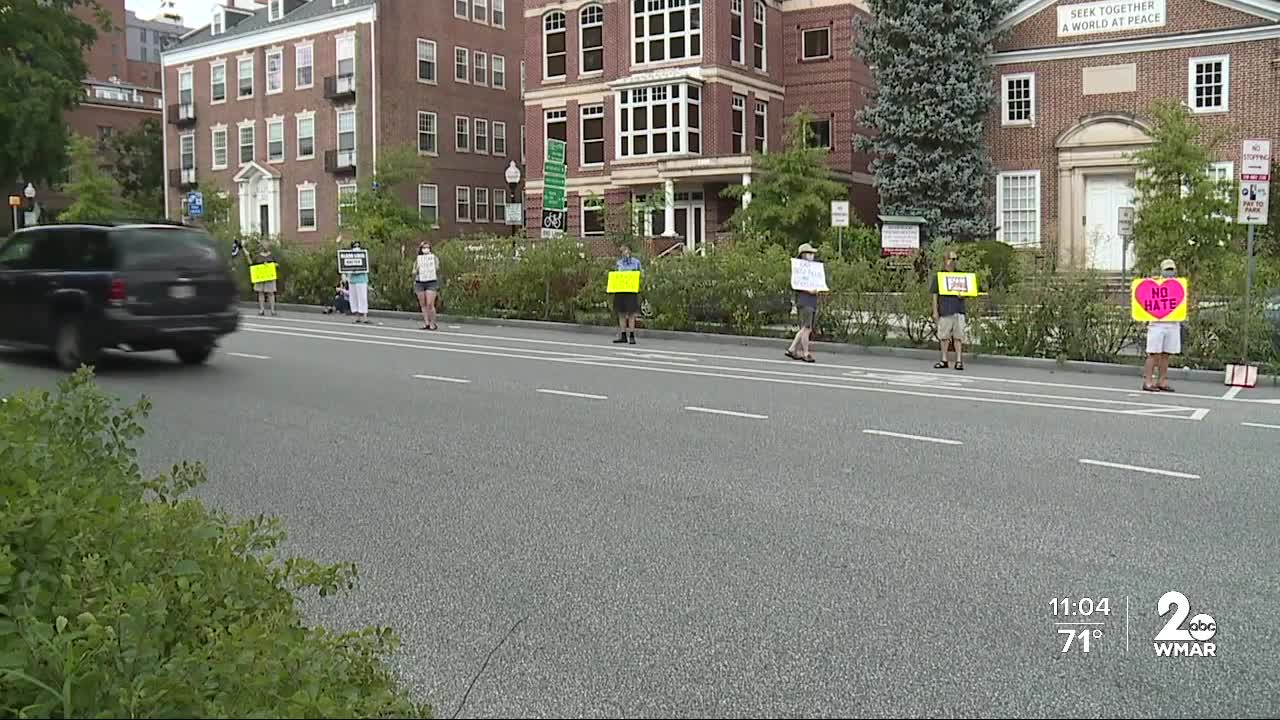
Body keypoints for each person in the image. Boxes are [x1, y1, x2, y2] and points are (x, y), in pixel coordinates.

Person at [1143, 258, 1183, 392]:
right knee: (1153, 354)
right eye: (1167, 270)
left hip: (1172, 324)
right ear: (1162, 270)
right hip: (1157, 325)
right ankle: (1148, 381)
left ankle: (1162, 381)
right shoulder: (1154, 284)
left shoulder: (1179, 285)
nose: (1169, 272)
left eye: (1171, 269)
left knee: (1166, 354)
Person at [929, 249, 967, 371]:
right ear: (946, 260)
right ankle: (944, 360)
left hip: (958, 309)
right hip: (945, 309)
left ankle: (959, 361)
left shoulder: (961, 275)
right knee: (944, 337)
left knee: (958, 337)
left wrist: (964, 295)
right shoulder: (939, 277)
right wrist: (935, 311)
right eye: (952, 259)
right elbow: (934, 295)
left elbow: (967, 291)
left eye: (956, 259)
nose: (954, 262)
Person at [785, 243, 820, 363]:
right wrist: (809, 290)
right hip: (805, 301)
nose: (812, 256)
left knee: (806, 328)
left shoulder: (812, 269)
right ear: (804, 255)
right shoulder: (800, 269)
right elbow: (796, 284)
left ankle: (792, 348)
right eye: (810, 253)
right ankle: (806, 353)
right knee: (806, 328)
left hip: (811, 300)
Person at [612, 245, 642, 345]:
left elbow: (640, 274)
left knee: (631, 314)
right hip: (620, 290)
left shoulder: (636, 262)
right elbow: (615, 274)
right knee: (621, 313)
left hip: (631, 290)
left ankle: (632, 336)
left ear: (630, 251)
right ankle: (623, 335)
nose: (624, 253)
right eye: (622, 251)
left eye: (625, 250)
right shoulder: (619, 263)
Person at [413, 240, 440, 330]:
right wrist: (417, 269)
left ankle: (433, 323)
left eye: (427, 247)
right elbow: (413, 271)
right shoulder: (418, 259)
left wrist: (433, 267)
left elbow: (436, 268)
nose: (426, 249)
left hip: (431, 282)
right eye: (424, 248)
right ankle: (426, 323)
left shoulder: (433, 258)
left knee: (430, 303)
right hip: (420, 282)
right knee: (423, 304)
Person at [347, 240, 370, 324]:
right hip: (352, 280)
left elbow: (365, 266)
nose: (356, 248)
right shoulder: (349, 256)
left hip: (361, 279)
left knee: (362, 298)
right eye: (355, 246)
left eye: (358, 246)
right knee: (354, 298)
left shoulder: (363, 255)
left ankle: (365, 317)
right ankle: (357, 317)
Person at [253, 245, 277, 316]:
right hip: (260, 277)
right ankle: (261, 310)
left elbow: (277, 264)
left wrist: (271, 265)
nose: (265, 247)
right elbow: (253, 265)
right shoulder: (257, 256)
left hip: (270, 277)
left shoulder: (272, 255)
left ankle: (272, 310)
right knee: (260, 292)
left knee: (271, 293)